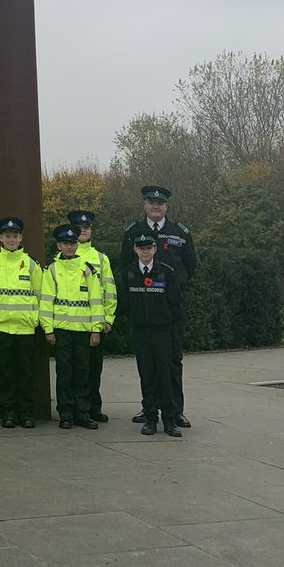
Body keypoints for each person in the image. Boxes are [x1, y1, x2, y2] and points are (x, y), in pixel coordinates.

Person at [120, 185, 196, 428]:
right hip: (144, 308)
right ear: (144, 205)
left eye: (160, 203)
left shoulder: (179, 232)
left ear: (166, 206)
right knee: (148, 361)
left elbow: (190, 266)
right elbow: (125, 265)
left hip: (170, 310)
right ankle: (149, 407)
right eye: (151, 202)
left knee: (173, 359)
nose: (156, 206)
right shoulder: (134, 232)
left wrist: (175, 288)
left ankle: (175, 410)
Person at [40, 223, 102, 429]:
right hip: (62, 330)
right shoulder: (52, 270)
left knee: (82, 372)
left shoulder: (88, 269)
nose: (69, 247)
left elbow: (96, 300)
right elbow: (46, 301)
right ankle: (65, 412)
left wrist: (96, 329)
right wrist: (47, 328)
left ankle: (82, 413)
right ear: (58, 246)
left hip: (83, 331)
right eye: (65, 243)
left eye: (72, 243)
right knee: (64, 372)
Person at [0, 216, 41, 428]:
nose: (11, 239)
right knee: (5, 373)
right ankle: (8, 413)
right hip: (2, 328)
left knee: (24, 373)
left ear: (20, 237)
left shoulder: (32, 265)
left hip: (25, 328)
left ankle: (26, 413)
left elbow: (40, 295)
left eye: (15, 236)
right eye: (7, 236)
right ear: (0, 237)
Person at [124, 231, 183, 438]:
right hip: (141, 333)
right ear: (135, 250)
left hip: (162, 332)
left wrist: (173, 332)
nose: (145, 252)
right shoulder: (130, 273)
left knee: (165, 375)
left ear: (155, 249)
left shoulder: (166, 272)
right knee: (147, 375)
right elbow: (125, 304)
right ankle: (150, 418)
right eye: (142, 249)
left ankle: (169, 419)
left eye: (149, 248)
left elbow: (176, 305)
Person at [68, 210, 117, 422]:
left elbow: (110, 289)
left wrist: (108, 318)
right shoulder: (63, 255)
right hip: (71, 323)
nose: (83, 231)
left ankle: (93, 408)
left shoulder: (100, 258)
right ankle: (76, 409)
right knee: (74, 370)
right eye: (79, 229)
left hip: (95, 322)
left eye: (86, 228)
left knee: (93, 369)